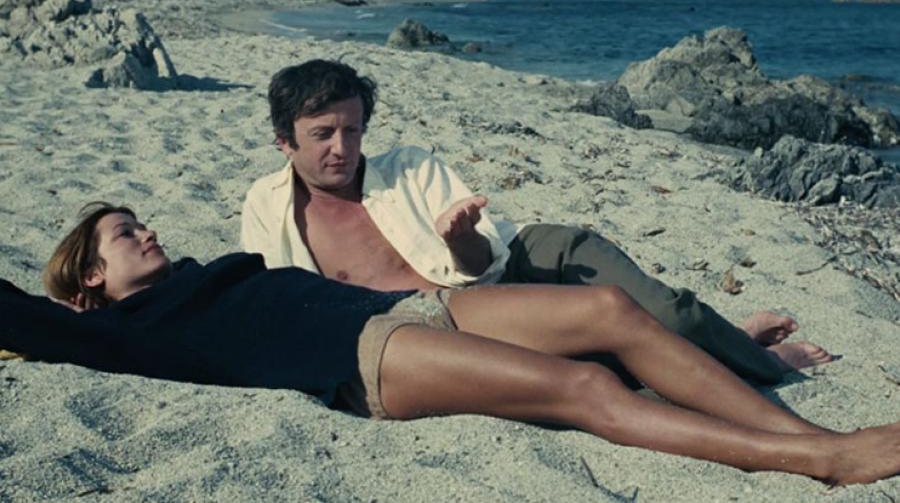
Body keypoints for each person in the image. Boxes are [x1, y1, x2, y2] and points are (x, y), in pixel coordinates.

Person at [8, 201, 899, 486]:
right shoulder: (116, 332)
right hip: (364, 360)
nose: (146, 232)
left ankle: (807, 433)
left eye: (139, 222)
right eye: (123, 235)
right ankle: (821, 461)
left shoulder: (196, 275)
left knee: (611, 312)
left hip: (415, 305)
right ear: (87, 279)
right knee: (586, 391)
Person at [241, 59, 831, 385]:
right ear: (283, 141)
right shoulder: (268, 209)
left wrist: (460, 238)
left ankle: (761, 360)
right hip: (464, 322)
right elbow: (278, 308)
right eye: (323, 134)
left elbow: (483, 262)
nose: (343, 148)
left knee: (668, 313)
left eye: (353, 130)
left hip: (521, 257)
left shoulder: (408, 167)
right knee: (619, 364)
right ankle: (737, 341)